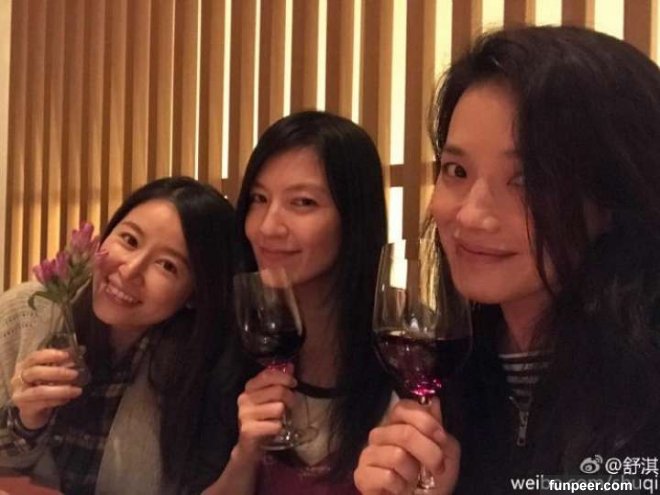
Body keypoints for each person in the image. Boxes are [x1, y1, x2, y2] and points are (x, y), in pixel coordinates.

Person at [354, 25, 660, 494]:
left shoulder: (642, 392)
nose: (470, 215)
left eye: (527, 181)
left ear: (614, 199)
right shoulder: (454, 374)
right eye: (456, 170)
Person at [197, 110, 393, 494]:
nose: (267, 226)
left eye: (302, 202)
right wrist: (245, 455)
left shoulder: (402, 359)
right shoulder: (229, 347)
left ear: (354, 217)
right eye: (259, 198)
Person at [0, 177, 236, 494]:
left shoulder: (199, 372)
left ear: (195, 294)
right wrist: (27, 422)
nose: (130, 270)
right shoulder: (27, 316)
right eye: (130, 240)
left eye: (167, 266)